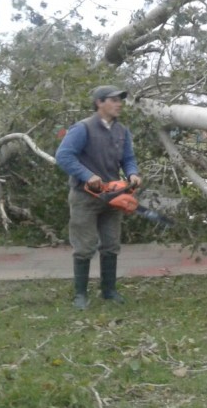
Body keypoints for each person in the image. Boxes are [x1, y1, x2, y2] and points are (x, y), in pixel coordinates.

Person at [55, 85, 142, 309]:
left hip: (113, 197)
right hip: (84, 197)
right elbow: (63, 156)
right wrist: (87, 175)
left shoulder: (122, 131)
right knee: (84, 246)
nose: (119, 104)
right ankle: (80, 295)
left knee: (111, 244)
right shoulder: (82, 128)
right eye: (113, 100)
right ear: (99, 103)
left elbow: (128, 159)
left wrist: (132, 173)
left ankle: (109, 291)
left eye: (120, 100)